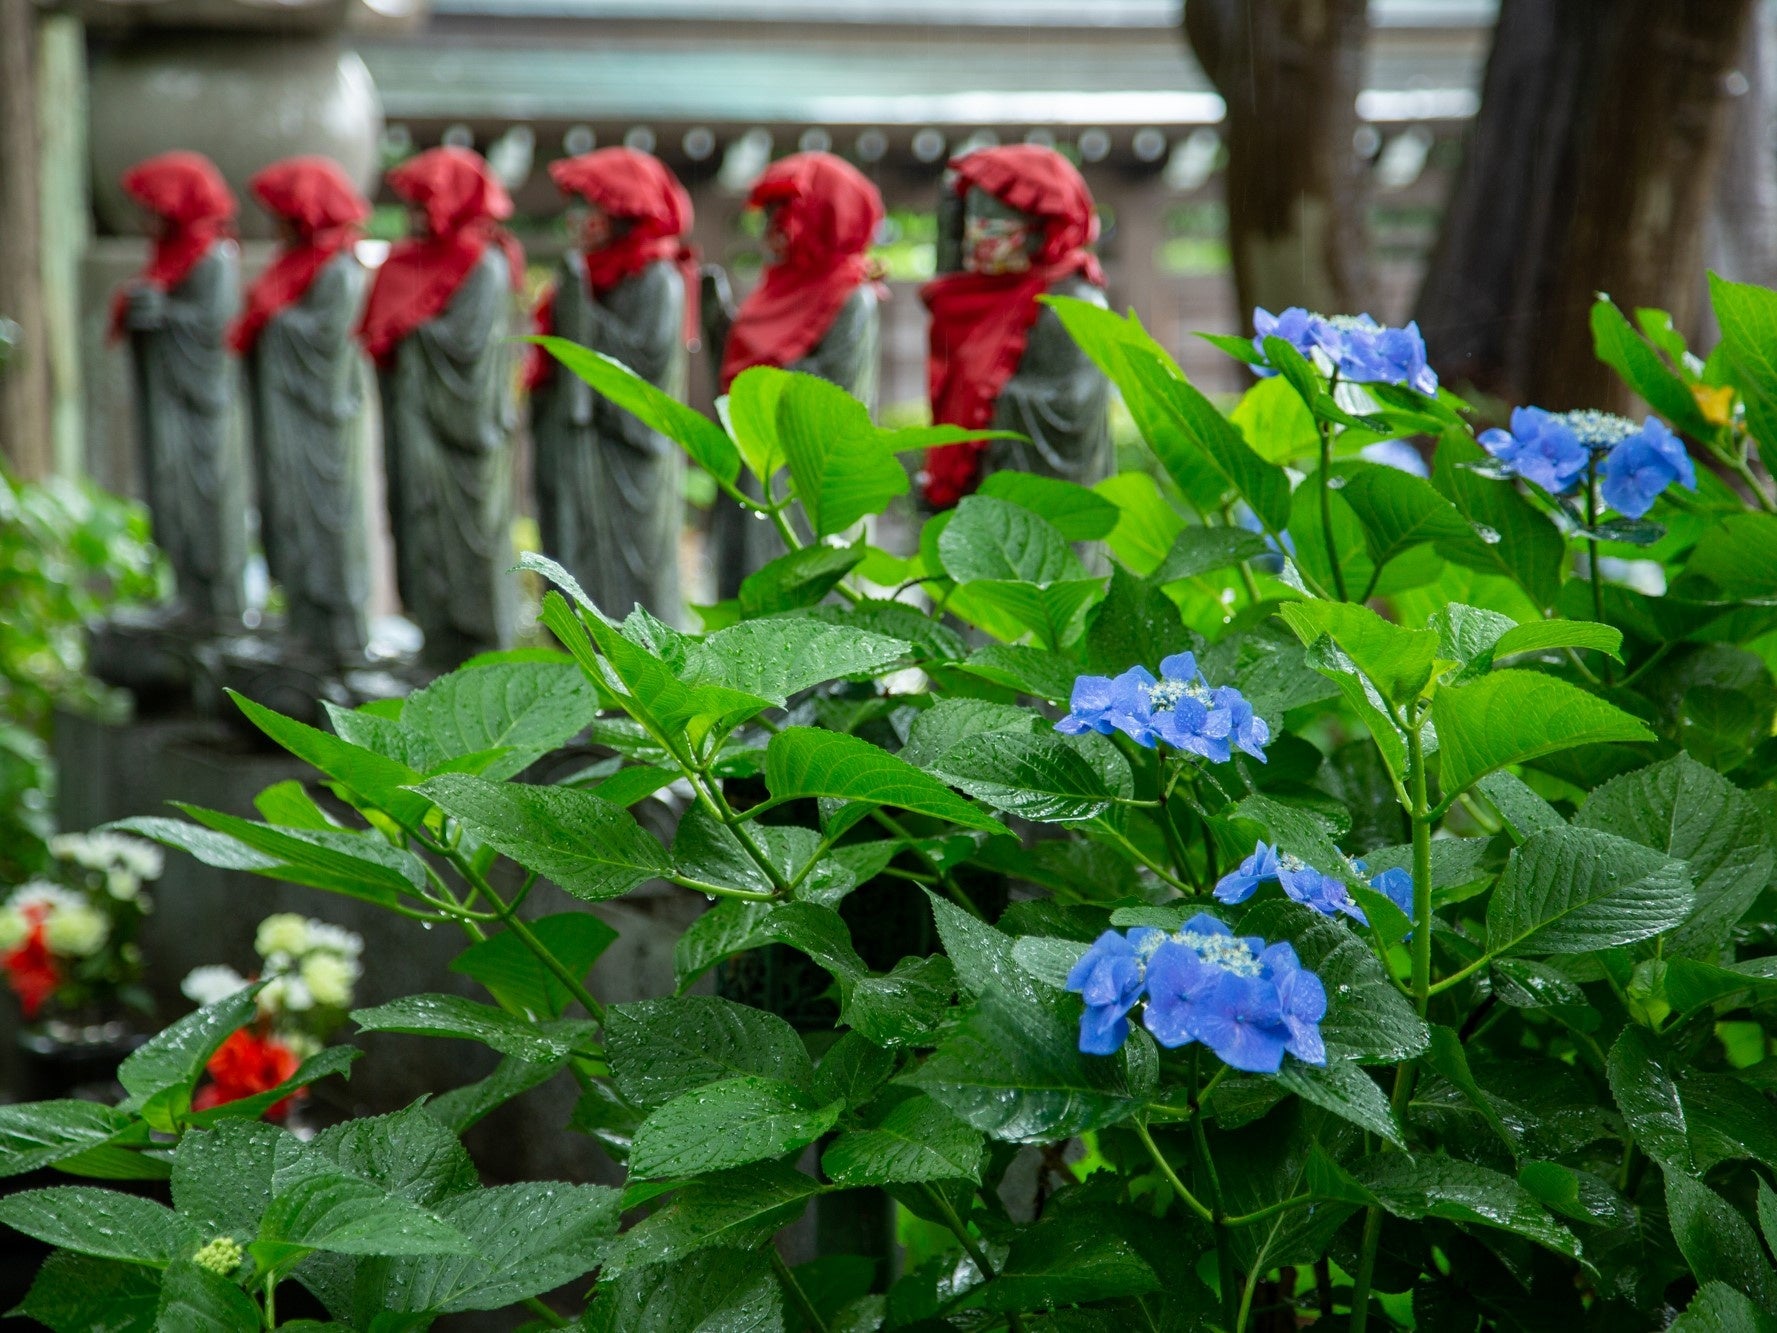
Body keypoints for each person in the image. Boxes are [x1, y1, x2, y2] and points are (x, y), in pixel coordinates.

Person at [358, 146, 523, 670]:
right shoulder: (408, 262)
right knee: (420, 524)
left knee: (470, 538)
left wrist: (412, 335)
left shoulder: (484, 263)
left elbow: (469, 347)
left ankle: (482, 649)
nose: (412, 216)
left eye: (423, 203)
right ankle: (435, 639)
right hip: (417, 423)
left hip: (462, 429)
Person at [704, 151, 884, 598]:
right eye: (765, 217)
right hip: (760, 468)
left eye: (780, 215)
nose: (769, 230)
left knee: (811, 593)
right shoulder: (773, 291)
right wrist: (719, 324)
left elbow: (833, 393)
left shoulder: (852, 297)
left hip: (812, 477)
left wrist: (763, 379)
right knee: (750, 576)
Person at [528, 148, 696, 624]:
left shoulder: (658, 278)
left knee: (635, 568)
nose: (577, 219)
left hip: (631, 448)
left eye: (590, 207)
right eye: (575, 206)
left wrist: (583, 314)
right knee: (579, 554)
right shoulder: (585, 275)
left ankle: (643, 655)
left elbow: (646, 362)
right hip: (583, 449)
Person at [231, 156, 372, 666]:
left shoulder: (339, 269)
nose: (275, 228)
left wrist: (276, 324)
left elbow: (327, 340)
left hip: (322, 424)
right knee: (289, 514)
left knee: (327, 518)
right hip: (287, 421)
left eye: (283, 216)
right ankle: (302, 622)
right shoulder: (294, 266)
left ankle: (339, 633)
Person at [921, 144, 1112, 508]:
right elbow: (944, 299)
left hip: (1045, 489)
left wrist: (986, 394)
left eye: (992, 226)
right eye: (971, 223)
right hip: (986, 477)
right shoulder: (981, 296)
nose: (977, 239)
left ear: (1038, 229)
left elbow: (1073, 405)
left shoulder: (1073, 301)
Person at [113, 150, 248, 622]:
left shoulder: (215, 258)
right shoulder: (170, 257)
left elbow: (214, 330)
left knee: (207, 495)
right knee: (172, 493)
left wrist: (163, 314)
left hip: (202, 408)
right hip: (170, 402)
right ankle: (187, 594)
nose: (144, 221)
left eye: (152, 210)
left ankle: (219, 602)